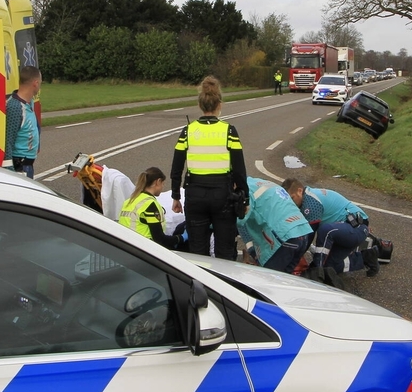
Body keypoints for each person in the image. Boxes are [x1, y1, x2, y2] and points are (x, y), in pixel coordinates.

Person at [170, 76, 248, 260]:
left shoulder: (188, 131)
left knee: (198, 250)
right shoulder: (229, 131)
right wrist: (244, 198)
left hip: (195, 194)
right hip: (223, 195)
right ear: (219, 104)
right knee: (225, 250)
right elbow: (239, 170)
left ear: (200, 105)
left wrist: (175, 196)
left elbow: (176, 167)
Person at [282, 178, 380, 280]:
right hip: (341, 231)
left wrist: (293, 261)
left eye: (292, 198)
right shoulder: (305, 200)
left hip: (356, 227)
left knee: (325, 230)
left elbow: (308, 236)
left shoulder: (311, 202)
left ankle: (317, 268)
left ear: (299, 191)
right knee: (329, 268)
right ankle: (366, 257)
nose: (291, 203)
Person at [237, 177, 313, 273]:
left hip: (284, 237)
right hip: (303, 232)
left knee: (268, 280)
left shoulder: (243, 190)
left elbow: (239, 220)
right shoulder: (262, 183)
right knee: (283, 281)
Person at [118, 167, 184, 249]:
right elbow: (160, 239)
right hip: (144, 249)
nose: (162, 187)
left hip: (126, 246)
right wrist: (181, 238)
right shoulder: (149, 205)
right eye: (163, 184)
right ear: (158, 182)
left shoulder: (129, 201)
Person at [3, 65, 42, 179]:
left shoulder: (30, 102)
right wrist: (9, 171)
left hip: (28, 164)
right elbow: (8, 141)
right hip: (19, 166)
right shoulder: (15, 107)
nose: (39, 86)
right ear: (35, 83)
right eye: (40, 83)